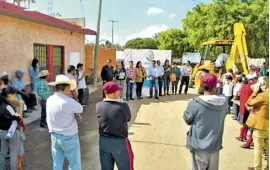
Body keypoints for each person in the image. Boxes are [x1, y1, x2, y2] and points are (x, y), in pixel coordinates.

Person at [183, 74, 228, 170]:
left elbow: (187, 119)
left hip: (198, 146)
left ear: (202, 86)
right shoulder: (224, 103)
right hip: (215, 146)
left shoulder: (194, 103)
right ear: (216, 86)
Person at [47, 75, 83, 170]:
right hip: (69, 137)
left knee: (57, 164)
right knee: (74, 165)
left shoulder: (49, 99)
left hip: (54, 136)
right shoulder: (69, 102)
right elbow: (80, 108)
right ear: (67, 88)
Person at [96, 82, 134, 170]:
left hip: (103, 141)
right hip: (119, 142)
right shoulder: (123, 106)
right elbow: (128, 118)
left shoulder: (98, 106)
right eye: (118, 91)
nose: (119, 92)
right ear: (114, 93)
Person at [246, 76, 269, 170]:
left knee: (258, 148)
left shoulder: (264, 95)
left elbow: (249, 102)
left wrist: (255, 91)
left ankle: (257, 168)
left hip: (261, 126)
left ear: (265, 85)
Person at [0, 92, 22, 170]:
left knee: (2, 153)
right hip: (11, 131)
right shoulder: (7, 106)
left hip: (1, 132)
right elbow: (17, 117)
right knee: (13, 153)